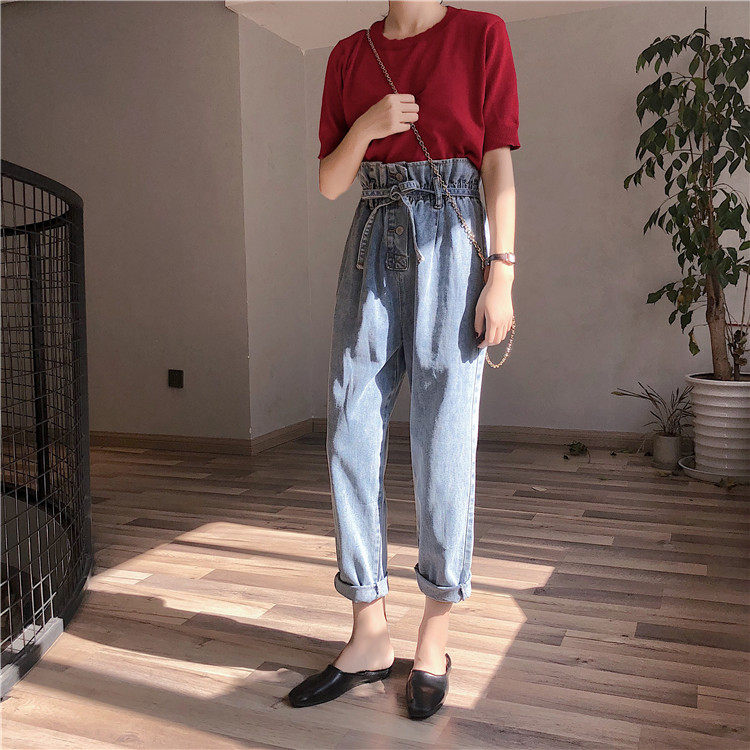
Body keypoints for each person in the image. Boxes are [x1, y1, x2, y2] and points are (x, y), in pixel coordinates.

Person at [288, 0, 519, 720]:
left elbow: (497, 163)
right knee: (350, 427)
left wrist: (503, 273)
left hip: (454, 235)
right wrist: (367, 126)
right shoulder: (348, 55)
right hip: (373, 232)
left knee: (442, 435)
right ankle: (367, 632)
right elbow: (331, 182)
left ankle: (434, 635)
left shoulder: (481, 35)